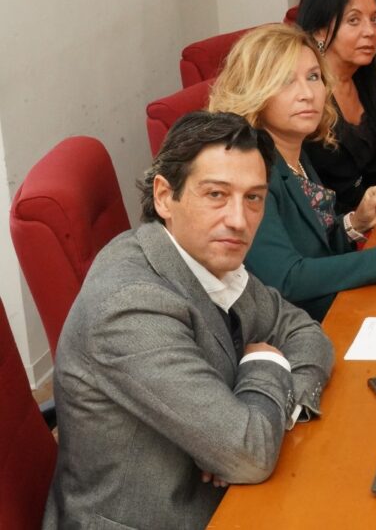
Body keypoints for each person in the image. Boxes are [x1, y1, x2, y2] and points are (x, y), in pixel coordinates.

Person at [43, 112, 334, 529]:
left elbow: (304, 332)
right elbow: (249, 455)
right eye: (216, 194)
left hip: (226, 494)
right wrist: (265, 365)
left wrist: (270, 415)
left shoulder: (204, 254)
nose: (239, 220)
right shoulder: (130, 307)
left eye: (254, 198)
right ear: (164, 196)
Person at [208, 24, 376, 320]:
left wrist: (355, 222)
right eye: (286, 81)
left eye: (313, 77)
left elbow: (312, 245)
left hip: (333, 306)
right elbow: (287, 278)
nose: (307, 94)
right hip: (295, 326)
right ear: (253, 91)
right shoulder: (249, 170)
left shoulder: (292, 149)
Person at [297, 0, 376, 214]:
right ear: (320, 31)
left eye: (375, 20)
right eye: (354, 20)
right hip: (341, 224)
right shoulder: (306, 95)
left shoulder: (362, 77)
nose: (370, 31)